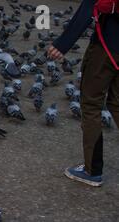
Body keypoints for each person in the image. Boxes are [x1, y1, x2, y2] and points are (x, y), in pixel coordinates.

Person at [48, 0, 119, 187]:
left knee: (91, 104)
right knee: (117, 103)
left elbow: (90, 4)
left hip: (108, 46)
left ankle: (92, 170)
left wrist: (63, 43)